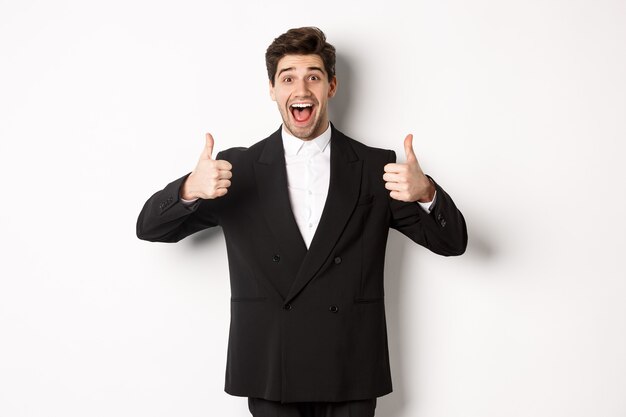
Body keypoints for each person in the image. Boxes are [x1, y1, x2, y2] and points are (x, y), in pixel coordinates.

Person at [137, 27, 467, 417]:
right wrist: (190, 189)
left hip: (350, 364)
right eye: (288, 77)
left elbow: (452, 242)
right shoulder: (236, 169)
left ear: (331, 86)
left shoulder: (375, 167)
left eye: (313, 76)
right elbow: (150, 228)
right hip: (271, 364)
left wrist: (426, 191)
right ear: (272, 90)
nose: (301, 88)